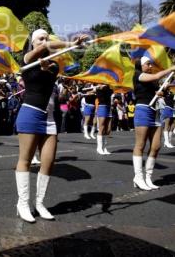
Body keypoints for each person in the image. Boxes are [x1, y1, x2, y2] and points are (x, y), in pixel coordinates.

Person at [15, 29, 86, 223]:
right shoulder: (27, 59)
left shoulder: (54, 65)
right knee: (25, 160)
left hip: (48, 118)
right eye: (40, 38)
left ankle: (39, 203)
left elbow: (49, 69)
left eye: (46, 38)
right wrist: (71, 45)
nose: (44, 41)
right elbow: (39, 53)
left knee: (48, 162)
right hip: (29, 113)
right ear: (31, 41)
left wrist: (49, 62)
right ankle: (22, 203)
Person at [132, 56, 175, 190]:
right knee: (140, 145)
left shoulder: (151, 80)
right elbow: (156, 76)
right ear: (141, 65)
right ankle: (138, 177)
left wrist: (160, 92)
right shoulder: (138, 75)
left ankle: (148, 178)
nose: (150, 66)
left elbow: (154, 91)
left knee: (156, 146)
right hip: (143, 110)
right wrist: (171, 68)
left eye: (150, 64)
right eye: (148, 64)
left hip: (154, 111)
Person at [95, 84, 113, 155]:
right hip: (102, 106)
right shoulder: (98, 88)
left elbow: (111, 91)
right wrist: (100, 87)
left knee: (108, 129)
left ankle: (104, 147)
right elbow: (100, 96)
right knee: (101, 127)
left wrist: (106, 86)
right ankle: (99, 148)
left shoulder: (109, 87)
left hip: (109, 107)